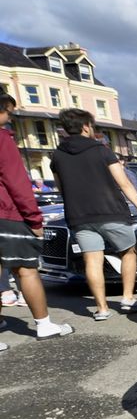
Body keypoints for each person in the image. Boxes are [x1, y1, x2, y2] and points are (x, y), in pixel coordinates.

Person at [51, 108, 137, 320]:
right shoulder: (102, 150)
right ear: (86, 126)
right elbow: (123, 182)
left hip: (79, 216)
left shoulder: (57, 156)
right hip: (111, 212)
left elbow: (60, 189)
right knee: (128, 252)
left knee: (92, 260)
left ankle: (102, 308)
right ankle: (127, 298)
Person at [0, 93, 73, 349]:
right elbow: (16, 182)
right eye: (9, 113)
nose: (9, 119)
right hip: (6, 215)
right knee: (26, 269)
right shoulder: (2, 139)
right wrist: (34, 219)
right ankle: (44, 324)